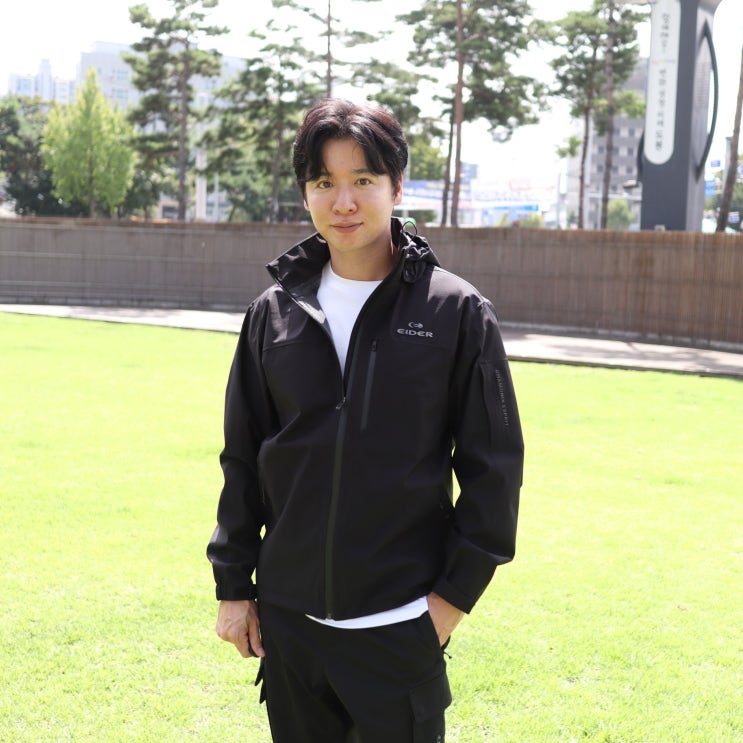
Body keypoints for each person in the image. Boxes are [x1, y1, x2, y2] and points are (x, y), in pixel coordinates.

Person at [207, 98, 524, 743]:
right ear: (305, 193)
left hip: (399, 627)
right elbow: (243, 458)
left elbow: (494, 473)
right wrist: (234, 586)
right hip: (291, 628)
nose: (343, 201)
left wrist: (447, 605)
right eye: (324, 182)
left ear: (396, 187)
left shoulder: (456, 313)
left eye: (363, 180)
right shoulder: (273, 313)